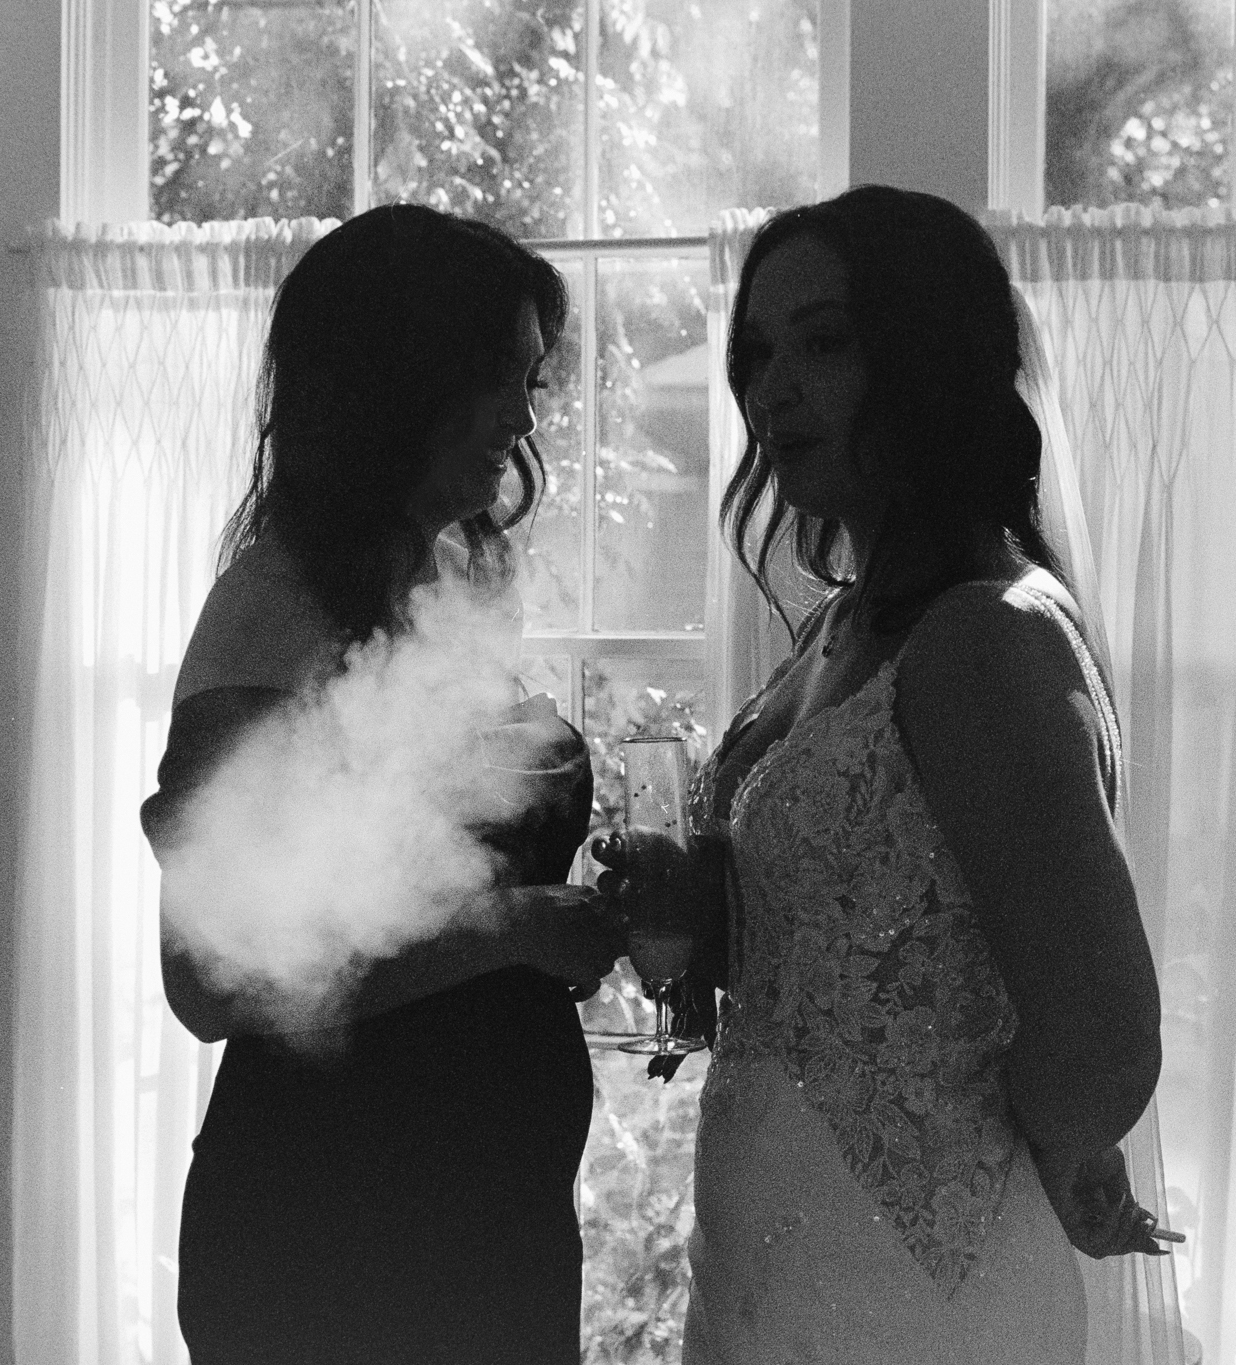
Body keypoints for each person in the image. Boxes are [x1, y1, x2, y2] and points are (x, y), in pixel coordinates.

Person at [597, 185, 1170, 1363]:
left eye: (822, 344)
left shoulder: (985, 637)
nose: (771, 390)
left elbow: (1103, 1040)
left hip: (915, 1286)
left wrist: (1040, 1149)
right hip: (761, 1257)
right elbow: (847, 945)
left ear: (925, 361)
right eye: (756, 355)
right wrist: (701, 908)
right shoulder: (837, 626)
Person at [139, 204, 623, 1365]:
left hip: (484, 1216)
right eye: (497, 378)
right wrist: (516, 928)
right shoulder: (272, 613)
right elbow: (211, 982)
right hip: (335, 1227)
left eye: (529, 381)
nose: (522, 418)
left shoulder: (453, 576)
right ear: (394, 385)